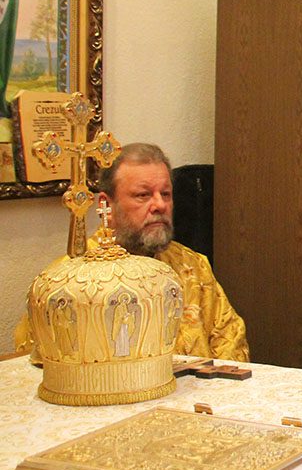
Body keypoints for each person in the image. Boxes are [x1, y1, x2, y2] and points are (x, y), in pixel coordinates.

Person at [14, 142, 249, 361]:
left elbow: (231, 344)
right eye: (143, 195)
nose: (159, 205)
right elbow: (41, 361)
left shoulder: (193, 267)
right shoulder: (68, 281)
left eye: (165, 194)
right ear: (106, 205)